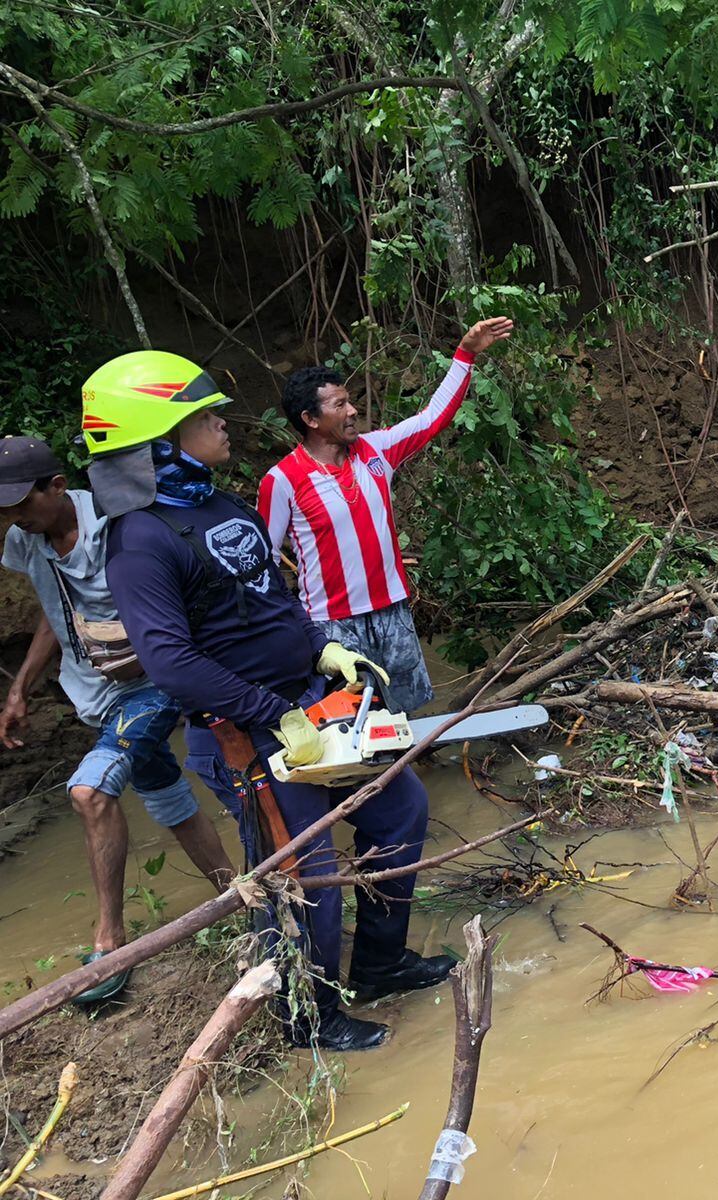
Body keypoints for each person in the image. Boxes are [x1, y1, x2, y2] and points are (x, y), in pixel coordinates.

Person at [83, 349, 453, 1051]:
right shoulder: (139, 542)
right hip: (244, 735)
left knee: (402, 809)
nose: (223, 423)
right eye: (203, 417)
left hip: (311, 705)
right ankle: (309, 1021)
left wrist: (324, 650)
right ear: (160, 442)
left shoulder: (222, 503)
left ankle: (378, 964)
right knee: (304, 876)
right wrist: (269, 712)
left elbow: (273, 602)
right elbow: (170, 662)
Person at [0, 437, 234, 1004]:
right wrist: (20, 686)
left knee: (89, 792)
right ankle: (238, 895)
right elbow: (58, 613)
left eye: (20, 504)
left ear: (57, 486)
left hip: (154, 683)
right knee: (167, 798)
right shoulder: (25, 536)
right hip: (96, 693)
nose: (13, 518)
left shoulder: (119, 524)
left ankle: (111, 940)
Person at [261, 317, 514, 713]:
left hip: (393, 609)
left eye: (350, 401)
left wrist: (466, 354)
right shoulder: (282, 480)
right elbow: (265, 563)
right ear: (310, 420)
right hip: (332, 626)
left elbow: (432, 419)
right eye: (339, 405)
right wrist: (292, 632)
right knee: (349, 728)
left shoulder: (375, 451)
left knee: (406, 716)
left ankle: (417, 768)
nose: (352, 411)